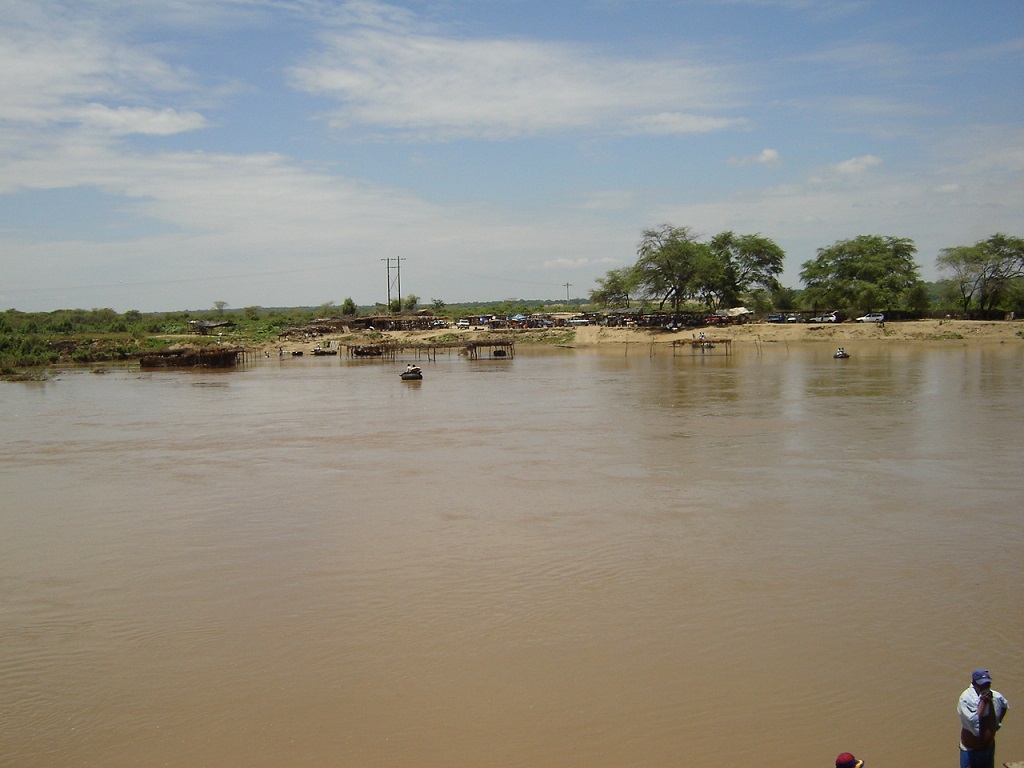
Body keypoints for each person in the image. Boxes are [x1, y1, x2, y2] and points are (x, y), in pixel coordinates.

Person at [958, 668, 1010, 768]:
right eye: (982, 686)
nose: (985, 688)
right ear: (974, 683)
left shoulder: (995, 696)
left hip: (988, 749)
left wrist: (997, 723)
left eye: (987, 685)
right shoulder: (966, 699)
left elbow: (1004, 705)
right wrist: (983, 702)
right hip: (971, 751)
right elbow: (973, 721)